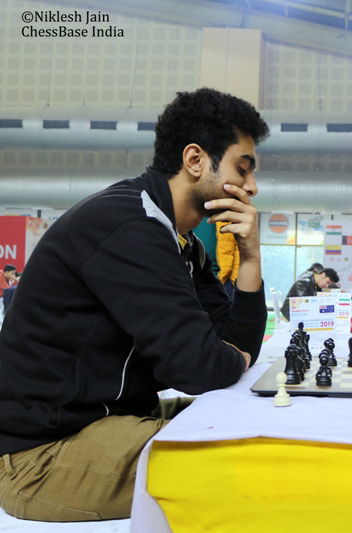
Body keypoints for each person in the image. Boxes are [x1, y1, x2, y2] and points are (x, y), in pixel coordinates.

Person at [0, 88, 269, 521]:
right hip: (41, 454)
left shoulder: (180, 241)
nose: (252, 187)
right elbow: (199, 368)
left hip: (112, 420)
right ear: (195, 160)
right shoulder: (128, 226)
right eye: (243, 168)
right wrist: (229, 357)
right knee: (249, 463)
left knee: (263, 423)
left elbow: (235, 345)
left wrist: (251, 259)